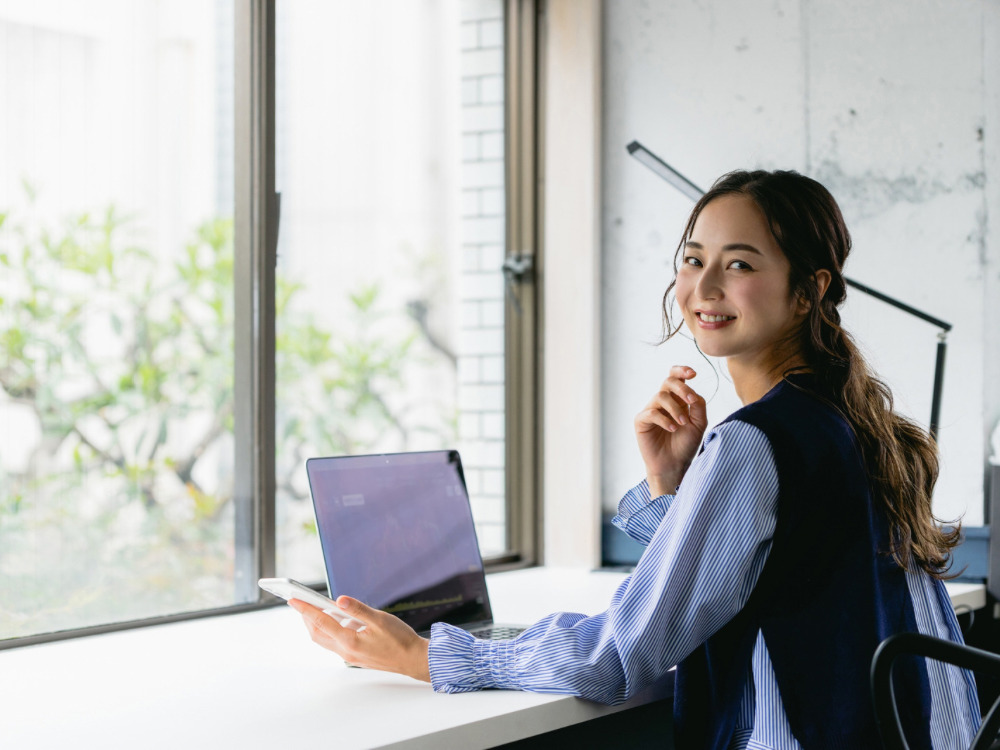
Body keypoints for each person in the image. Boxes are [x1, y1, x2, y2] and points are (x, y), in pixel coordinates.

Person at [289, 170, 981, 748]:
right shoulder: (849, 422)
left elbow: (619, 655)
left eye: (739, 263)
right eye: (692, 257)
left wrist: (425, 655)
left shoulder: (755, 442)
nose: (704, 285)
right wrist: (671, 485)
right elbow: (763, 577)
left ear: (809, 289)